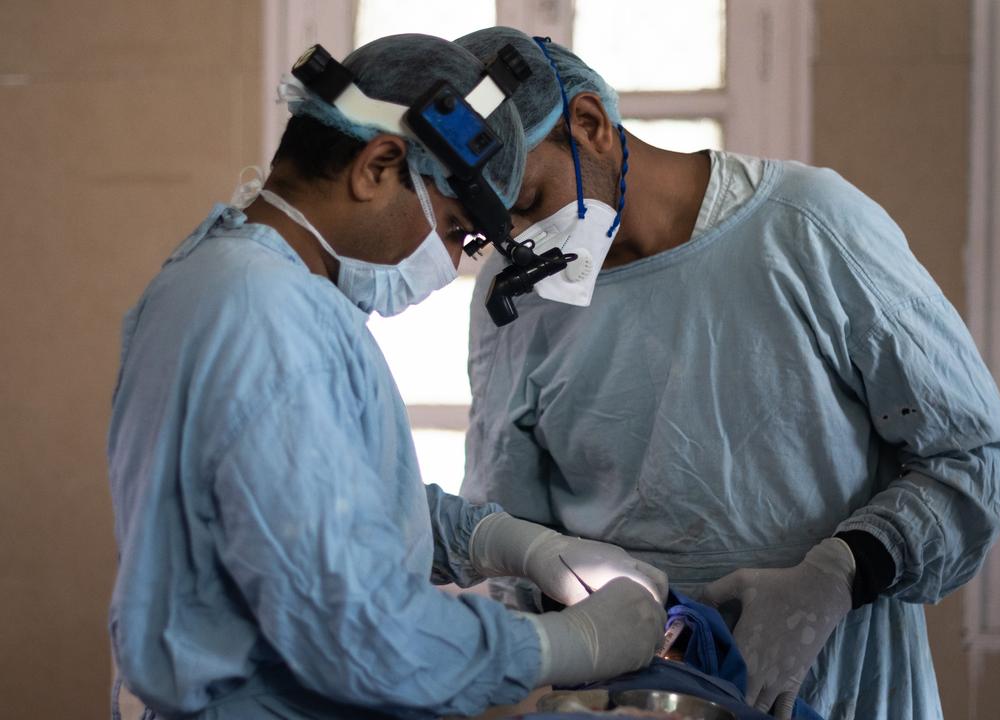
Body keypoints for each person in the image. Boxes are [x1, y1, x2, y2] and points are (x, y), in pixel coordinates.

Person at [458, 28, 1000, 720]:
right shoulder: (515, 298)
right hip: (634, 697)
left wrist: (837, 575)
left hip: (837, 686)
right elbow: (507, 527)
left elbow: (972, 457)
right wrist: (582, 634)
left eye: (528, 200)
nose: (522, 241)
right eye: (494, 227)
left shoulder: (808, 227)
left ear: (590, 124)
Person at [106, 34, 668, 720]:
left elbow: (312, 505)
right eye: (457, 230)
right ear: (378, 165)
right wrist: (567, 644)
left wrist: (495, 541)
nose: (452, 261)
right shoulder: (269, 317)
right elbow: (357, 634)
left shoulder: (220, 278)